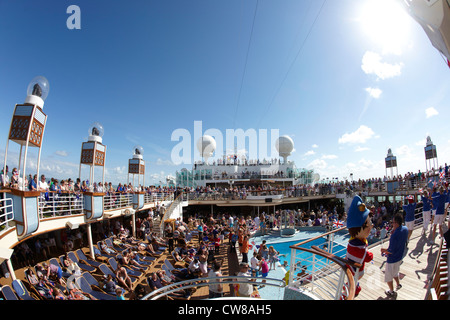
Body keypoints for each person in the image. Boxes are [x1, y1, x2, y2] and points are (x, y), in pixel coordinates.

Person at [345, 195, 374, 297]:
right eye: (368, 223)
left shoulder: (353, 241)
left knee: (352, 279)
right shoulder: (358, 247)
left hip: (349, 265)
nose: (371, 226)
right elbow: (367, 257)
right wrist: (371, 255)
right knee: (353, 280)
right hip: (356, 270)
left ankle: (352, 287)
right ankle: (348, 292)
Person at [381, 214, 408, 298]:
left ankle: (391, 291)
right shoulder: (405, 229)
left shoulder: (394, 236)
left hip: (392, 259)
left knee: (389, 277)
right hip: (400, 257)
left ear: (396, 223)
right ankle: (398, 284)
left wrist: (384, 250)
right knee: (395, 272)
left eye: (393, 223)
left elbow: (390, 251)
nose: (392, 224)